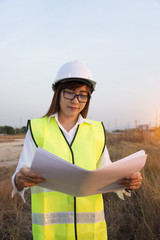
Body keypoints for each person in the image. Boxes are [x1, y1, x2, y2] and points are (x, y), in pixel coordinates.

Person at [12, 60, 142, 240]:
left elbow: (108, 172)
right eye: (70, 93)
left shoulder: (96, 131)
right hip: (50, 233)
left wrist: (127, 182)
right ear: (58, 93)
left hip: (91, 233)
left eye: (83, 95)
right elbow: (20, 174)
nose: (75, 101)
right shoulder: (37, 129)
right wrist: (20, 179)